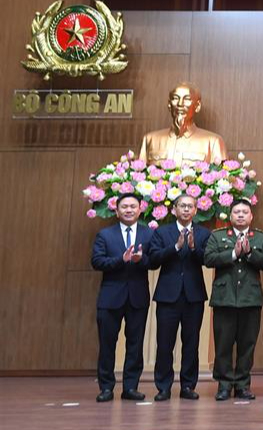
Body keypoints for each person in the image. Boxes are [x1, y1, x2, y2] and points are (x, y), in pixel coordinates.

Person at [90, 193, 156, 403]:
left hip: (137, 297)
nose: (128, 210)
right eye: (124, 207)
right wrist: (122, 259)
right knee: (107, 345)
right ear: (116, 211)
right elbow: (97, 262)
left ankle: (130, 387)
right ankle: (106, 388)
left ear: (140, 210)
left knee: (135, 345)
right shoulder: (105, 235)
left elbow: (154, 261)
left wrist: (140, 259)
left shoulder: (148, 234)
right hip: (110, 298)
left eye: (132, 206)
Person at [204, 198, 263, 401]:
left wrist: (248, 253)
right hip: (225, 298)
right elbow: (209, 259)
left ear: (251, 216)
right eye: (236, 212)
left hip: (251, 298)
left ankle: (242, 384)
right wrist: (233, 253)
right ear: (230, 216)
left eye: (244, 212)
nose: (240, 215)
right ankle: (224, 385)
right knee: (223, 344)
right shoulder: (218, 236)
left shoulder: (260, 237)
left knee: (247, 344)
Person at [148, 194, 211, 401]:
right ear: (174, 209)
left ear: (195, 210)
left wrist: (193, 248)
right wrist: (175, 247)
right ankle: (163, 387)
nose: (186, 210)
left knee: (191, 343)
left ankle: (188, 386)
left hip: (193, 296)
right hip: (168, 295)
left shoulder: (203, 233)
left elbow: (207, 260)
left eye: (190, 206)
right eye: (182, 206)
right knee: (164, 343)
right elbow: (154, 259)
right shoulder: (162, 232)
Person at [139, 82, 226, 164]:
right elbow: (138, 175)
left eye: (187, 99)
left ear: (197, 106)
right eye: (175, 98)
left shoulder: (213, 142)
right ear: (169, 104)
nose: (180, 104)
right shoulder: (150, 139)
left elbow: (222, 177)